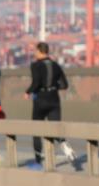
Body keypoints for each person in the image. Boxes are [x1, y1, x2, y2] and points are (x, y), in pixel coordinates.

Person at [25, 42, 74, 170]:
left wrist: (27, 92)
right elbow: (64, 85)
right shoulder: (56, 65)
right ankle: (64, 144)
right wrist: (53, 87)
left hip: (40, 100)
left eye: (36, 52)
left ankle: (38, 159)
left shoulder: (35, 65)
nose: (35, 54)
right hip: (54, 100)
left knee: (36, 130)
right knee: (55, 128)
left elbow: (36, 83)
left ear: (40, 52)